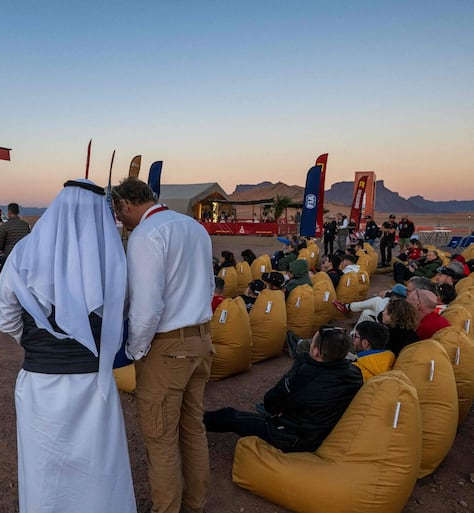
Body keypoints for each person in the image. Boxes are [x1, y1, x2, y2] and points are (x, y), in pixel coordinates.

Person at [0, 179, 136, 513]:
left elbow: (4, 309)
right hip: (92, 384)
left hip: (41, 382)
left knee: (45, 470)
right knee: (97, 471)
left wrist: (33, 342)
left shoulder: (25, 253)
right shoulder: (111, 259)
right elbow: (123, 312)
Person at [111, 177, 213, 513]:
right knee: (192, 428)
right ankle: (194, 504)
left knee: (160, 438)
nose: (120, 222)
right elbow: (210, 284)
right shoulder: (193, 226)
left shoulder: (146, 234)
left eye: (119, 213)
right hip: (200, 339)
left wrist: (135, 350)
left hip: (167, 347)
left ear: (125, 204)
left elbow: (146, 307)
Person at [204, 326, 362, 453]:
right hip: (318, 429)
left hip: (295, 436)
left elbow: (270, 402)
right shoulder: (355, 372)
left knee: (231, 416)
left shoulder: (306, 376)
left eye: (312, 344)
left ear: (315, 352)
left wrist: (299, 368)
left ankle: (196, 422)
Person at [334, 283, 407, 324]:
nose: (407, 292)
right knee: (366, 313)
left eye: (409, 291)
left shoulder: (412, 303)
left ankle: (347, 307)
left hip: (394, 319)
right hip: (397, 315)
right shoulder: (412, 302)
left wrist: (388, 294)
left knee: (377, 300)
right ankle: (354, 335)